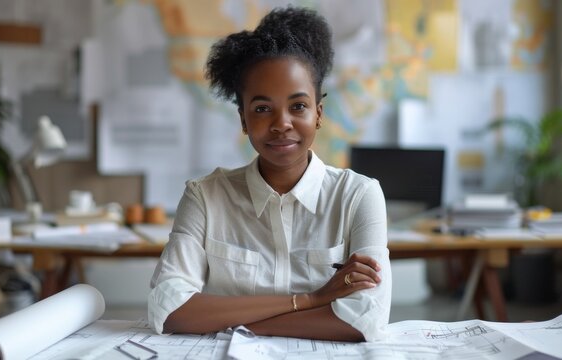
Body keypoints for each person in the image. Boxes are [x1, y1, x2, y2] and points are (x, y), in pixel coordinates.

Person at [147, 6, 391, 342]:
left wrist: (230, 321)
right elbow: (170, 309)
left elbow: (365, 319)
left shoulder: (358, 195)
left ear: (318, 114)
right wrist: (312, 300)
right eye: (262, 109)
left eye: (298, 106)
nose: (281, 124)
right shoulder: (205, 196)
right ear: (244, 120)